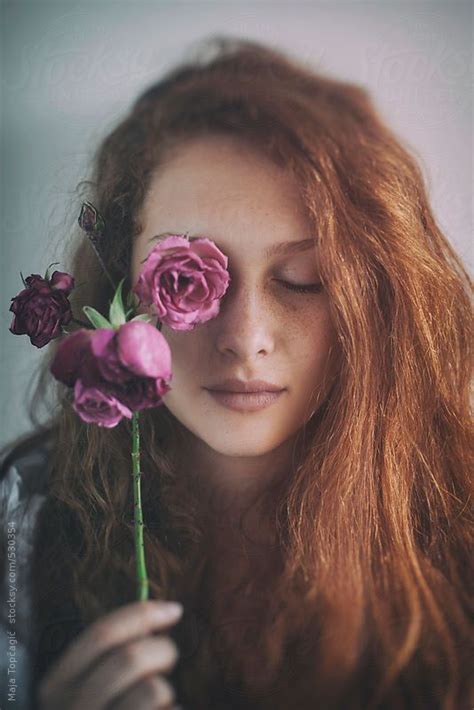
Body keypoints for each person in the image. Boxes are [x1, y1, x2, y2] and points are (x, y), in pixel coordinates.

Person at [0, 35, 472, 710]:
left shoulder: (460, 526)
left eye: (304, 280)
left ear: (375, 299)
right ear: (121, 283)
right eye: (184, 278)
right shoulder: (19, 535)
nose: (246, 341)